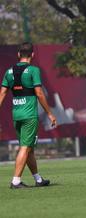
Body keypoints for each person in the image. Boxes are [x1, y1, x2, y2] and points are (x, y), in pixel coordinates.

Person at [0, 42, 57, 189]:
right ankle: (16, 181)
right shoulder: (33, 70)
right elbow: (39, 93)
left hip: (16, 115)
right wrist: (50, 113)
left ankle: (38, 179)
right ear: (32, 55)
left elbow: (2, 93)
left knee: (28, 147)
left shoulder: (9, 72)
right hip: (29, 115)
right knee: (25, 147)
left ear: (18, 54)